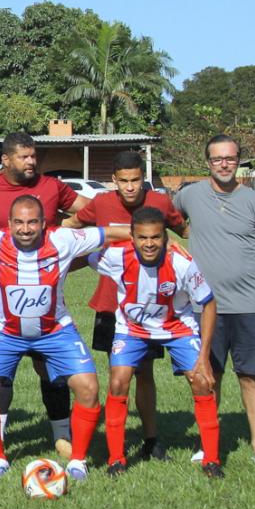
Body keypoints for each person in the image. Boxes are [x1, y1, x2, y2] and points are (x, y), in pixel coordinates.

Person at [0, 196, 129, 480]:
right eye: (19, 223)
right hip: (5, 334)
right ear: (9, 224)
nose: (25, 229)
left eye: (32, 222)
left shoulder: (63, 239)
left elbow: (109, 232)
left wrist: (156, 235)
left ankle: (77, 461)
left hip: (55, 332)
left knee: (88, 388)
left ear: (44, 223)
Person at [0, 132, 90, 456]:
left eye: (34, 156)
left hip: (45, 297)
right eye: (24, 156)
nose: (32, 162)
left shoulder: (50, 186)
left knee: (52, 368)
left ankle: (62, 435)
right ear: (6, 160)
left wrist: (69, 228)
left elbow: (88, 212)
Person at [63, 150, 186, 460]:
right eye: (124, 181)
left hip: (149, 307)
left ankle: (150, 439)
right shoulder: (102, 203)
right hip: (110, 303)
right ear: (114, 181)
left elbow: (183, 229)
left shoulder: (159, 202)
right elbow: (72, 225)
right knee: (117, 374)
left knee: (144, 373)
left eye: (136, 180)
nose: (130, 187)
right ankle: (114, 442)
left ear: (143, 179)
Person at [173, 134, 255, 467]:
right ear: (207, 162)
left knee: (249, 375)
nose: (224, 164)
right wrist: (181, 249)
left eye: (230, 159)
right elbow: (168, 221)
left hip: (249, 305)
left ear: (239, 162)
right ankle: (208, 444)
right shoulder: (189, 196)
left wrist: (250, 269)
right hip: (205, 309)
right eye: (217, 159)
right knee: (209, 375)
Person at [91, 207, 223, 478]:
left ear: (165, 237)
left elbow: (209, 304)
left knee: (201, 380)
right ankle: (116, 460)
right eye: (142, 237)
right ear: (132, 237)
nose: (149, 244)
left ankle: (212, 460)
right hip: (132, 330)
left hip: (178, 328)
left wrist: (204, 356)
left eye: (155, 237)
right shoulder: (116, 256)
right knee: (118, 381)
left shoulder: (182, 263)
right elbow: (80, 247)